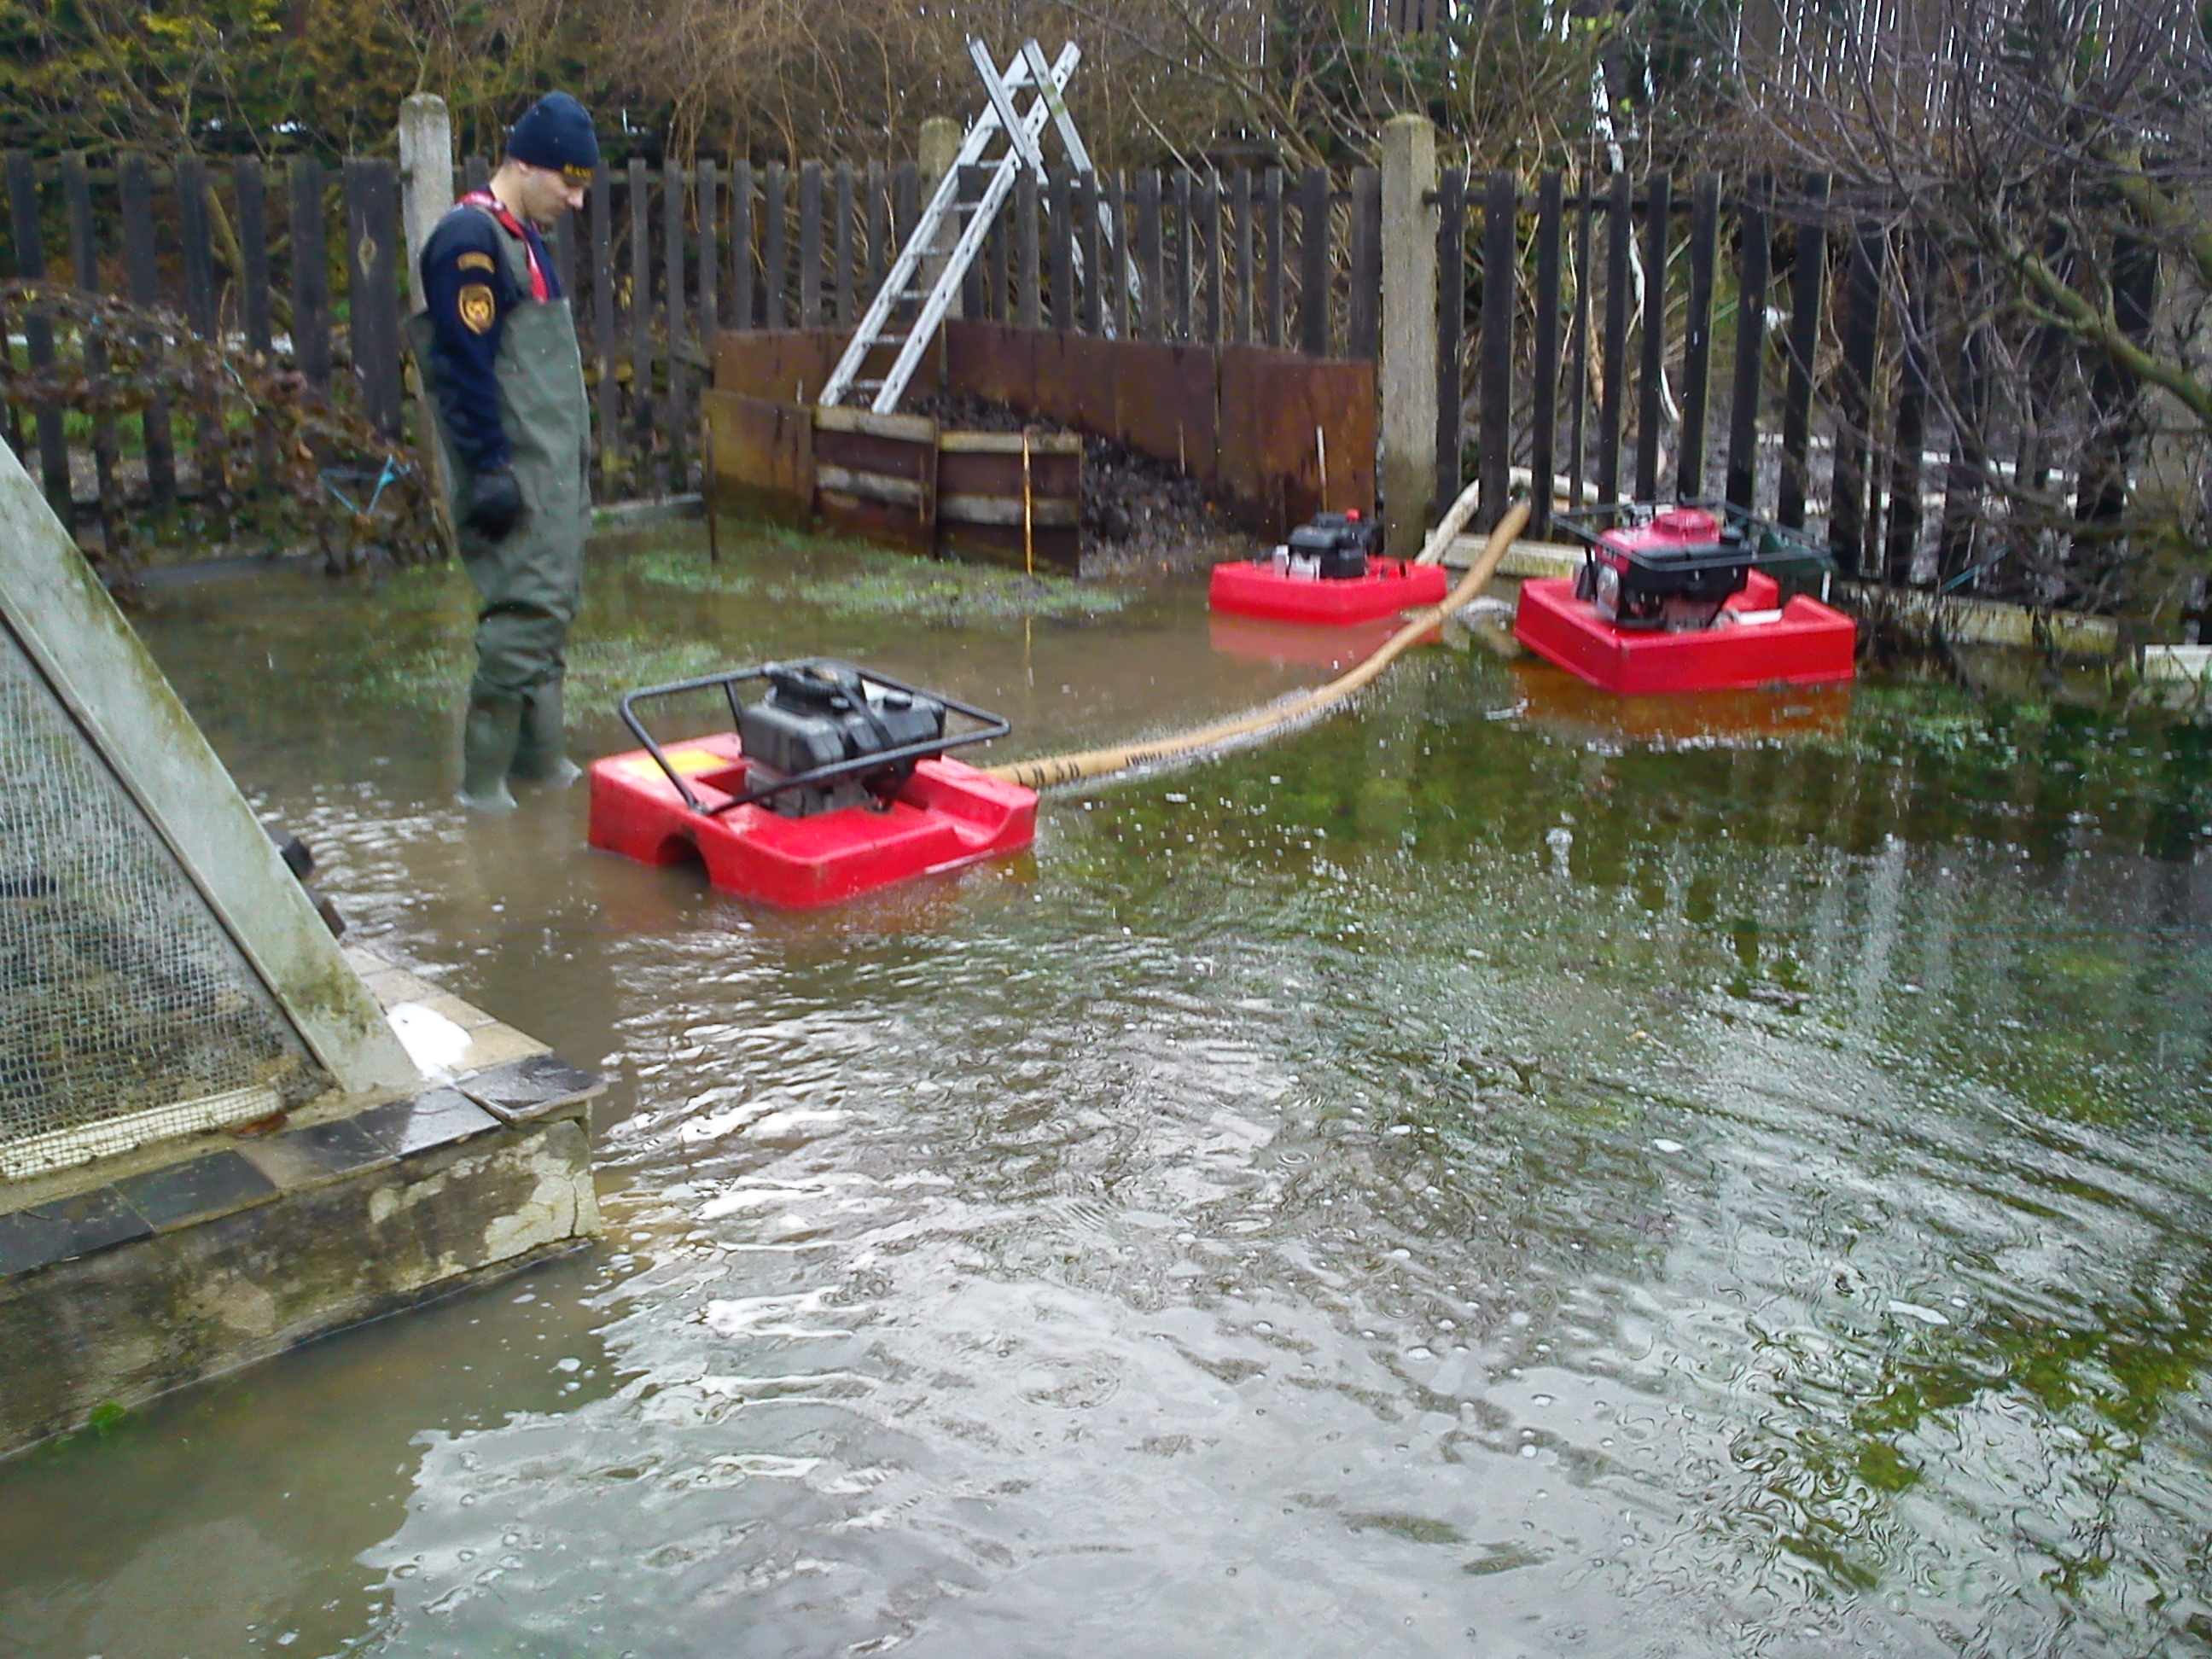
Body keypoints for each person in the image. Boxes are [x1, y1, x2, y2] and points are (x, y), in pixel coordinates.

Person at [410, 92, 597, 811]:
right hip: (512, 471)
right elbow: (461, 364)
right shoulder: (469, 240)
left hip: (550, 473)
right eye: (567, 183)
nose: (577, 201)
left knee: (550, 612)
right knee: (523, 616)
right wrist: (488, 469)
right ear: (524, 163)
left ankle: (542, 768)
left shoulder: (524, 239)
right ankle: (482, 791)